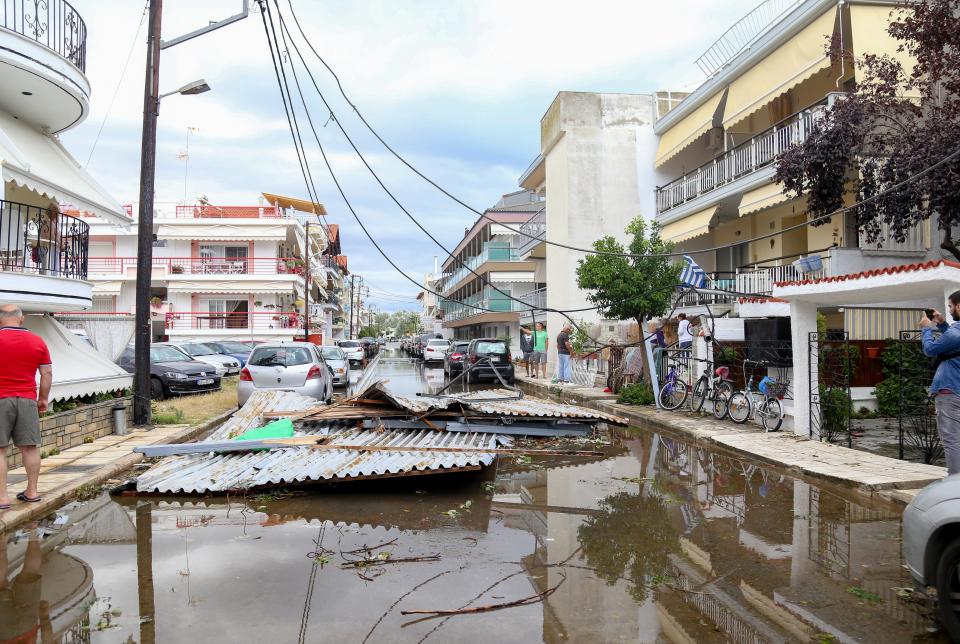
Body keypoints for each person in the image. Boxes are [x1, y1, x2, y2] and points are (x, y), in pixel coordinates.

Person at [0, 305, 51, 508]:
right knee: (30, 448)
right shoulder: (37, 341)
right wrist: (43, 399)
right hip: (28, 400)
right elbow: (46, 374)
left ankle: (2, 497)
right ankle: (32, 492)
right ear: (21, 320)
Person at [920, 294, 960, 475]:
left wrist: (927, 329)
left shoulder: (955, 332)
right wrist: (942, 324)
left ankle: (955, 483)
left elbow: (930, 350)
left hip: (950, 391)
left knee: (951, 439)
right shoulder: (954, 332)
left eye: (951, 307)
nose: (950, 310)